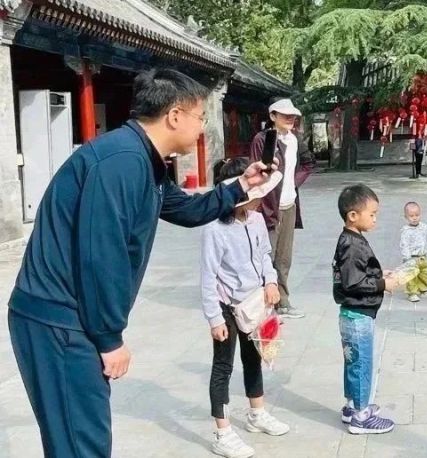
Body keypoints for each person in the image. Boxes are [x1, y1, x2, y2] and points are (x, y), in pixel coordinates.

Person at [7, 68, 274, 458]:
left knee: (78, 438)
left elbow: (187, 209)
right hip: (59, 320)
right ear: (175, 116)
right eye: (200, 117)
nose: (202, 127)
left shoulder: (143, 160)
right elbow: (102, 257)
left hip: (69, 317)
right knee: (81, 443)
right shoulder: (121, 162)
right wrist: (109, 338)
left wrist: (242, 185)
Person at [201, 158, 290, 458]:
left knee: (254, 357)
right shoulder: (215, 228)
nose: (259, 200)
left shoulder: (255, 220)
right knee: (223, 366)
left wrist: (271, 281)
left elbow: (264, 255)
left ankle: (257, 413)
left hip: (255, 301)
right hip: (227, 306)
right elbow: (208, 276)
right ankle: (222, 432)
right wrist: (215, 318)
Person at [333, 184, 398, 435]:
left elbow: (358, 273)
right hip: (358, 315)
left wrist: (380, 275)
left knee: (353, 362)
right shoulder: (352, 245)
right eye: (371, 214)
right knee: (361, 365)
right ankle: (361, 417)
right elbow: (353, 282)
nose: (374, 219)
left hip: (352, 314)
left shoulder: (350, 239)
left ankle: (352, 407)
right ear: (353, 215)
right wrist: (383, 284)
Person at [249, 99, 315, 319]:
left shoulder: (295, 139)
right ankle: (263, 303)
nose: (290, 119)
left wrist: (293, 183)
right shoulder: (262, 139)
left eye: (293, 115)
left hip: (289, 205)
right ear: (272, 116)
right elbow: (258, 173)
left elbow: (308, 163)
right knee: (265, 256)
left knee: (284, 258)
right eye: (284, 115)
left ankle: (283, 301)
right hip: (268, 207)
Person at [399, 202, 427, 303]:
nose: (415, 218)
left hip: (422, 257)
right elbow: (404, 245)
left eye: (417, 215)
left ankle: (424, 290)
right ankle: (412, 293)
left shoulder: (422, 227)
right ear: (406, 217)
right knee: (411, 276)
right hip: (412, 258)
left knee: (424, 274)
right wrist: (407, 258)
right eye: (411, 216)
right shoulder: (406, 231)